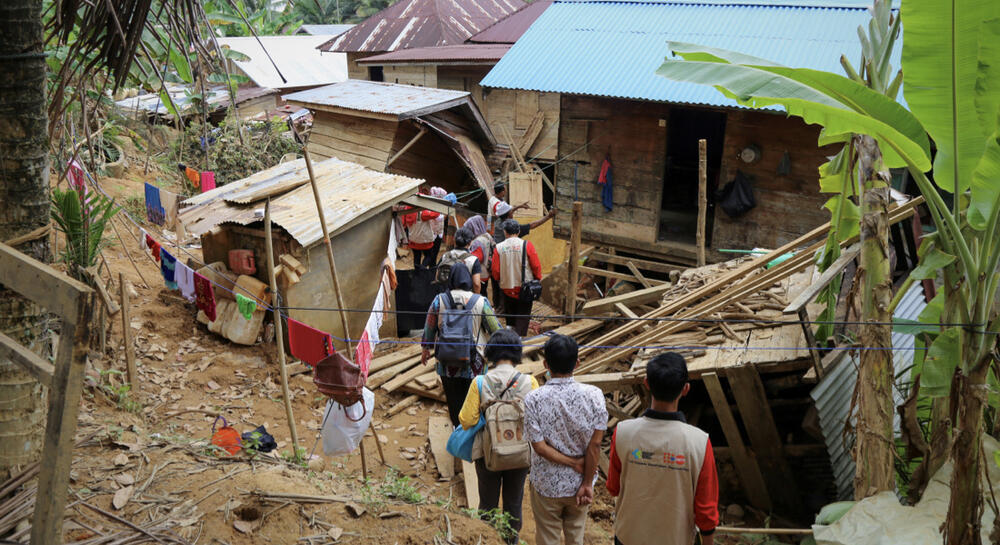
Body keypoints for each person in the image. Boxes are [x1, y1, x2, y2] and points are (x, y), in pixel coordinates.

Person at [607, 352, 719, 545]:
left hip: (628, 536)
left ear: (646, 383)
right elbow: (706, 510)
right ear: (685, 389)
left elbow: (613, 488)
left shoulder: (623, 432)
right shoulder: (699, 442)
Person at [458, 329, 539, 545]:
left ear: (491, 353)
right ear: (517, 353)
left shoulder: (480, 382)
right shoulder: (530, 382)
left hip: (488, 453)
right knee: (514, 502)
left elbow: (466, 420)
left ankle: (486, 540)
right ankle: (511, 541)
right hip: (519, 453)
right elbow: (536, 419)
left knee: (487, 503)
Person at [523, 334, 607, 545]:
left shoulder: (534, 399)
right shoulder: (594, 395)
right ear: (577, 363)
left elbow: (539, 448)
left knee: (547, 537)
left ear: (545, 365)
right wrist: (587, 481)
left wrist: (572, 463)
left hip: (546, 484)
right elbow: (595, 444)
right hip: (581, 482)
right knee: (576, 536)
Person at [421, 264, 501, 426]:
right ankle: (473, 438)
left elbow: (429, 327)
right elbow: (496, 330)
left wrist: (425, 349)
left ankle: (458, 433)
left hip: (446, 363)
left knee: (454, 404)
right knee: (475, 404)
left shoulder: (439, 300)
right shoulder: (481, 302)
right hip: (475, 364)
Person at [491, 219, 542, 336]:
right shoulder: (527, 245)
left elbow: (495, 271)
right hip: (525, 288)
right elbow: (536, 265)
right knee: (523, 314)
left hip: (507, 288)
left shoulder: (498, 248)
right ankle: (518, 339)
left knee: (510, 313)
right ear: (518, 231)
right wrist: (537, 279)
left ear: (505, 232)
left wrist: (500, 280)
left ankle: (510, 334)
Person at [437, 226, 483, 293]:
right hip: (466, 297)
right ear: (470, 243)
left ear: (454, 240)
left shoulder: (445, 256)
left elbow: (437, 277)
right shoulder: (473, 260)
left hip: (447, 295)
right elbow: (476, 284)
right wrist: (476, 298)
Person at [464, 215, 493, 295]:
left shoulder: (477, 242)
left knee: (480, 294)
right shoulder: (487, 236)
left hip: (479, 274)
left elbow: (477, 259)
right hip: (487, 271)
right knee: (484, 292)